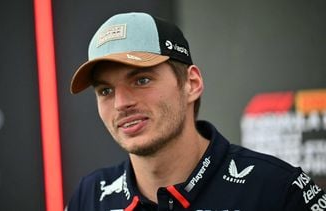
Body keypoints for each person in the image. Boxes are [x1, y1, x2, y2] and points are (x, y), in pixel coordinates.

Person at [66, 12, 326, 211]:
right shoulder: (89, 197)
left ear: (192, 84)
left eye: (141, 80)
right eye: (105, 91)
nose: (121, 103)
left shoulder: (276, 189)